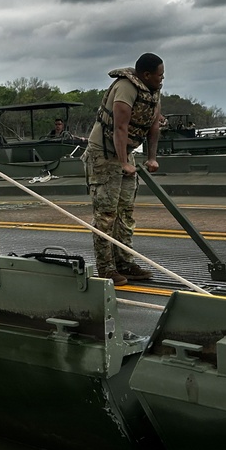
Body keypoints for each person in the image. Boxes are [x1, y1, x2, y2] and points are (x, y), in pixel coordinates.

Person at [83, 52, 164, 286]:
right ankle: (106, 267)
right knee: (106, 214)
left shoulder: (153, 92)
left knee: (125, 211)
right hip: (103, 154)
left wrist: (151, 158)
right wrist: (123, 163)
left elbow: (154, 126)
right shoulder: (125, 88)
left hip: (124, 153)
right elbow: (119, 127)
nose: (162, 79)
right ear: (146, 75)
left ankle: (125, 261)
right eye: (159, 75)